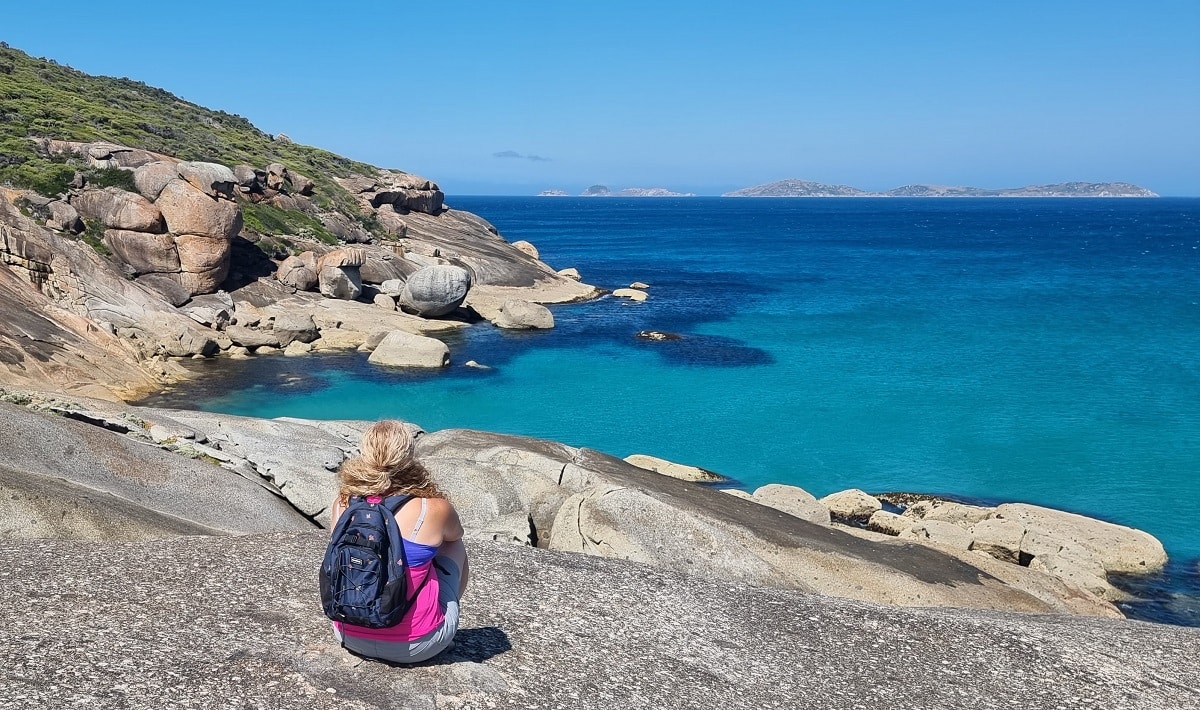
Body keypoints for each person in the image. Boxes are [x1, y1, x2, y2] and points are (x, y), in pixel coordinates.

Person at [329, 420, 468, 663]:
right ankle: (440, 615)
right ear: (409, 456)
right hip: (417, 645)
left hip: (348, 634)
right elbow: (456, 535)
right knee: (452, 545)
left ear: (364, 454)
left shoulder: (344, 502)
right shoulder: (431, 508)